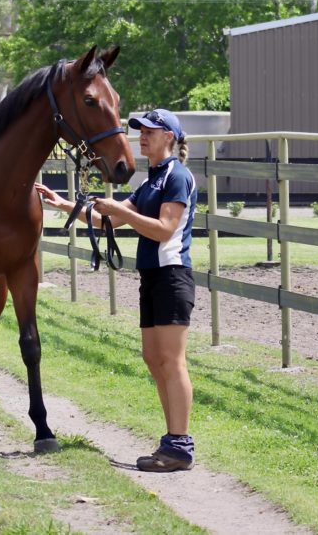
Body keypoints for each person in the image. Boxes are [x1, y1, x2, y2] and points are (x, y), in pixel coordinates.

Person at [35, 108, 198, 472]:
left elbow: (163, 230)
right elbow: (102, 217)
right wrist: (62, 203)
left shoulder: (177, 177)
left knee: (172, 361)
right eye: (140, 131)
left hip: (172, 277)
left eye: (150, 132)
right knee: (154, 360)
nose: (142, 137)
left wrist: (117, 210)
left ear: (169, 137)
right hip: (153, 277)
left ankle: (180, 446)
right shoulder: (151, 180)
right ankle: (172, 441)